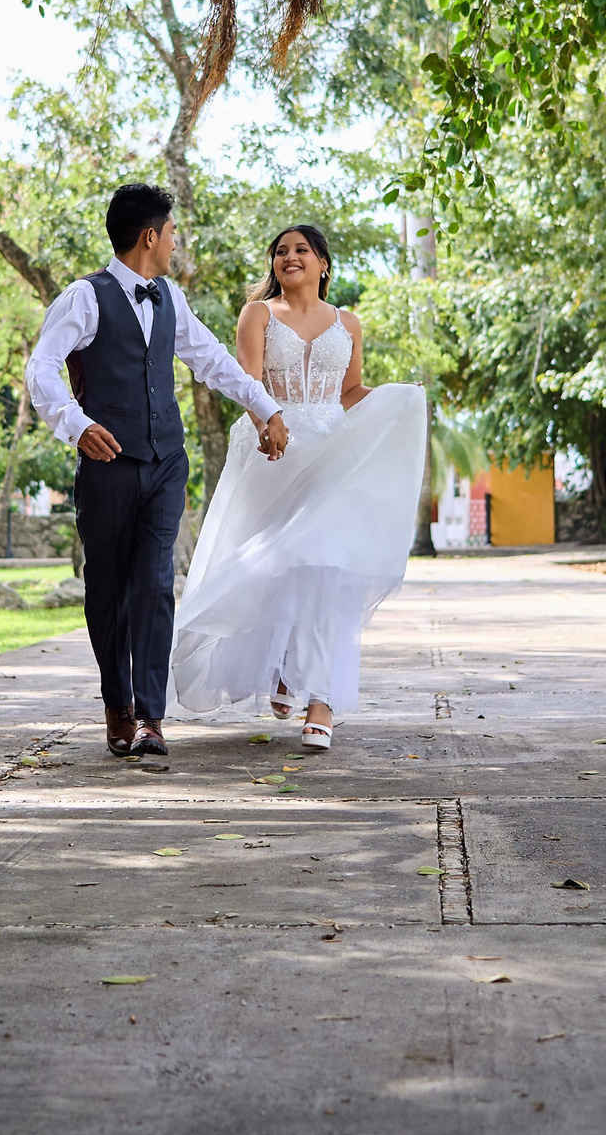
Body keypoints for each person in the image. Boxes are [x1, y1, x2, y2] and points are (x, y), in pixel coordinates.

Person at [25, 184, 291, 758]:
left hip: (166, 459)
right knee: (108, 589)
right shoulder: (84, 298)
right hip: (108, 463)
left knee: (155, 584)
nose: (175, 242)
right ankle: (115, 704)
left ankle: (150, 716)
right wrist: (75, 425)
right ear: (150, 236)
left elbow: (212, 360)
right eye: (172, 233)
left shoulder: (170, 297)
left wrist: (266, 408)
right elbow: (41, 367)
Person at [171, 224, 426, 750]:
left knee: (328, 568)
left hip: (333, 452)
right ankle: (284, 663)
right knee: (274, 566)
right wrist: (267, 423)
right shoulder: (258, 314)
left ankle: (323, 701)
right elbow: (249, 382)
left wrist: (396, 398)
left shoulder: (348, 322)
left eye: (301, 250)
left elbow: (351, 390)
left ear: (323, 264)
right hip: (274, 449)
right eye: (281, 252)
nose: (290, 257)